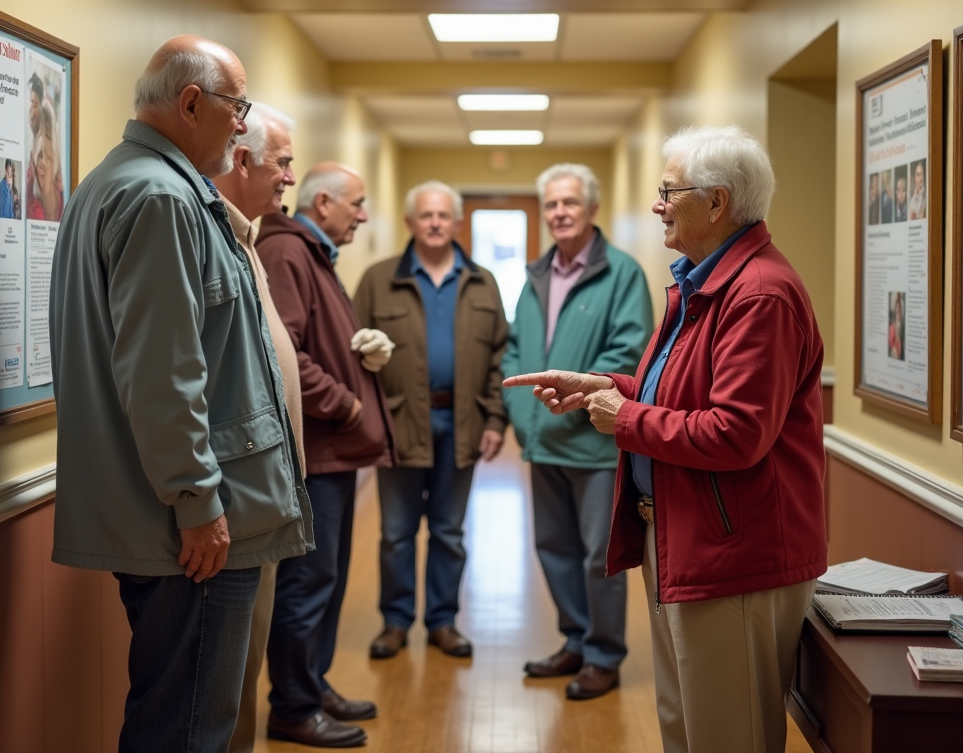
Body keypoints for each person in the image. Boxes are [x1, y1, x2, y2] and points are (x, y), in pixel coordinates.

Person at [505, 125, 827, 753]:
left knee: (727, 736)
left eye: (669, 192)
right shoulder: (706, 282)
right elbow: (680, 392)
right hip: (688, 536)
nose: (657, 206)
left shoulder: (759, 294)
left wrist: (624, 418)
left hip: (734, 554)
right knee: (686, 725)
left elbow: (736, 433)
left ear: (717, 202)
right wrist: (601, 384)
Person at [48, 36, 313, 753]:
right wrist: (198, 501)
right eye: (237, 107)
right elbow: (163, 371)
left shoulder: (123, 181)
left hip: (169, 512)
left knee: (177, 716)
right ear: (191, 103)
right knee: (190, 728)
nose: (242, 124)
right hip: (192, 529)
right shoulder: (161, 197)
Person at [257, 162, 397, 748]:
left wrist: (358, 352)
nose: (363, 215)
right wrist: (345, 403)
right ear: (323, 203)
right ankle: (294, 705)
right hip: (316, 451)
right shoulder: (288, 251)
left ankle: (312, 684)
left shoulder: (313, 252)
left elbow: (311, 338)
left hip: (334, 453)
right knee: (307, 583)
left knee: (327, 579)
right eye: (356, 203)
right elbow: (282, 350)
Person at [502, 163, 653, 701]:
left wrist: (573, 400)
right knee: (553, 547)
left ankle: (603, 656)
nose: (560, 212)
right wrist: (519, 411)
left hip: (593, 443)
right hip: (542, 441)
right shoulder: (536, 274)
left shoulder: (622, 273)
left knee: (597, 556)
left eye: (570, 202)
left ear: (592, 209)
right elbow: (515, 348)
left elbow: (628, 351)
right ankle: (575, 640)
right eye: (551, 204)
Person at [354, 180, 509, 662]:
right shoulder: (378, 279)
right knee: (397, 534)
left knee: (449, 532)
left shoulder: (483, 282)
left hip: (462, 423)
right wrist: (368, 423)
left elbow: (502, 357)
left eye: (444, 215)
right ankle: (395, 622)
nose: (436, 223)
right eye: (426, 215)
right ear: (410, 222)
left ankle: (442, 621)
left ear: (458, 222)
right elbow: (352, 355)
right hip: (398, 425)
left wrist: (495, 420)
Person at [211, 102, 306, 753]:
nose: (290, 178)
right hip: (228, 504)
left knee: (240, 674)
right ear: (242, 160)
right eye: (284, 163)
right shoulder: (206, 235)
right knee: (215, 692)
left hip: (260, 497)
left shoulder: (246, 238)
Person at [29, 103, 64, 222]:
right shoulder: (32, 211)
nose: (42, 165)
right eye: (39, 156)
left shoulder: (66, 202)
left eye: (48, 157)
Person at [26, 73, 44, 212]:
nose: (31, 111)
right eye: (31, 104)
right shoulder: (32, 139)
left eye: (35, 104)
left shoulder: (44, 144)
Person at [888, 293, 905, 361]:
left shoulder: (902, 326)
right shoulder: (892, 327)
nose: (898, 309)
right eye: (897, 308)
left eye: (899, 308)